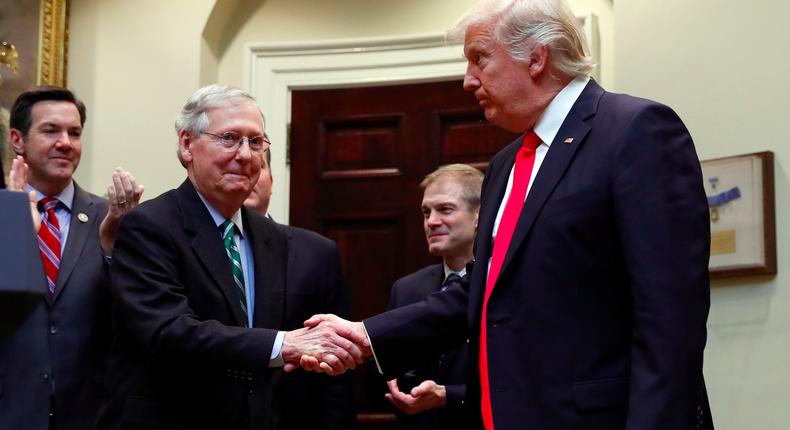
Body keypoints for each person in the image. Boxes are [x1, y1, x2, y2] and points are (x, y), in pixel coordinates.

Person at [301, 0, 714, 429]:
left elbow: (669, 317)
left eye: (479, 58)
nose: (467, 80)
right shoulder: (505, 163)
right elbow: (482, 291)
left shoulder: (635, 130)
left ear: (536, 57)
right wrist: (367, 335)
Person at [94, 84, 364, 430]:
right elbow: (170, 332)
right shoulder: (149, 226)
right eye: (229, 138)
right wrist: (286, 343)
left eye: (256, 142)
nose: (246, 154)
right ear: (187, 145)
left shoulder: (270, 237)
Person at [0, 86, 143, 430]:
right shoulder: (2, 215)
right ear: (17, 140)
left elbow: (132, 319)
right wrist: (17, 232)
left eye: (74, 133)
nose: (65, 142)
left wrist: (111, 247)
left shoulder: (111, 217)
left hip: (90, 413)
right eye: (50, 130)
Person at [242, 140, 355, 429]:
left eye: (260, 165)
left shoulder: (317, 252)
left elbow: (336, 359)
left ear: (272, 180)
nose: (248, 172)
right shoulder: (193, 248)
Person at [384, 164, 481, 430]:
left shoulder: (504, 284)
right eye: (426, 212)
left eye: (445, 209)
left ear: (479, 216)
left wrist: (448, 396)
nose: (431, 221)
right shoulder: (406, 289)